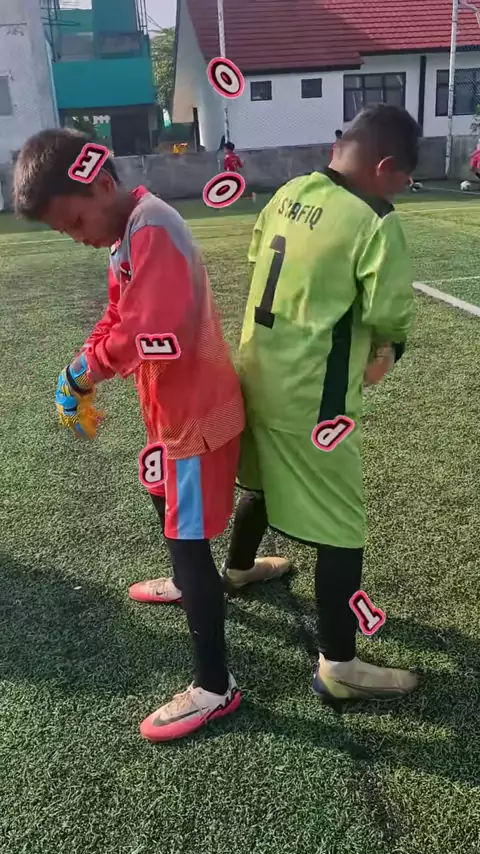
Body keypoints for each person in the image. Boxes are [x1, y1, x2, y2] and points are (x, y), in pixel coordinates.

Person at [12, 128, 282, 743]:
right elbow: (119, 312)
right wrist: (77, 363)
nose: (77, 236)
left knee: (187, 540)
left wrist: (86, 371)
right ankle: (189, 583)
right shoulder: (128, 231)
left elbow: (146, 331)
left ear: (102, 185)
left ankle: (214, 686)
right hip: (170, 410)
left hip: (194, 416)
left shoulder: (152, 227)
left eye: (74, 221)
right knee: (159, 496)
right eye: (63, 231)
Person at [223, 104, 422, 707]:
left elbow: (259, 265)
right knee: (343, 526)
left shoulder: (287, 193)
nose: (403, 189)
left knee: (263, 478)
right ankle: (339, 664)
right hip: (313, 401)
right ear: (385, 167)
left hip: (255, 375)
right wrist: (389, 351)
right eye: (404, 178)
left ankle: (239, 568)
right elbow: (390, 316)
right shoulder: (375, 220)